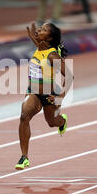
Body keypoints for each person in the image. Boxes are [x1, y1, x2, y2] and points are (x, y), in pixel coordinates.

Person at [16, 22, 73, 170]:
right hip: (33, 91)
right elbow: (40, 46)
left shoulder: (53, 55)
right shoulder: (40, 47)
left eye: (44, 30)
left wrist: (60, 97)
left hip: (50, 93)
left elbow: (69, 76)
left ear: (49, 38)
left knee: (52, 122)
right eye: (41, 28)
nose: (40, 29)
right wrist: (32, 37)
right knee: (24, 116)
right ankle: (24, 157)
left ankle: (62, 121)